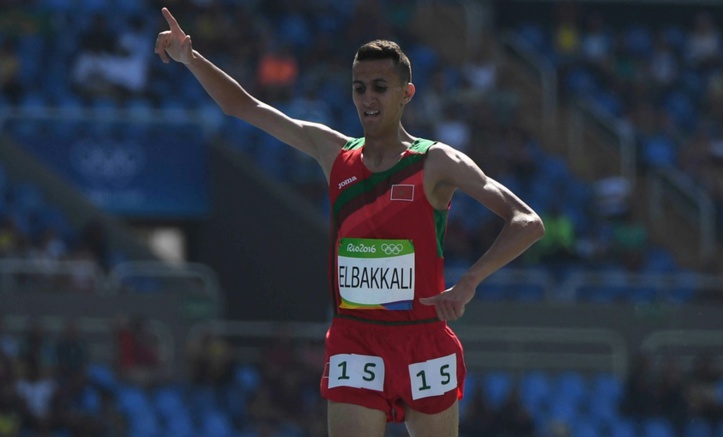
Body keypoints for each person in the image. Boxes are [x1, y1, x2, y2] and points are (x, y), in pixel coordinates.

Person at [155, 7, 544, 436]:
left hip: (424, 340)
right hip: (355, 340)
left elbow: (527, 221)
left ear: (407, 93)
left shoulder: (436, 162)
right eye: (359, 88)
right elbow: (242, 106)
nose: (367, 98)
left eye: (380, 87)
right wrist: (190, 57)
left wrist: (471, 280)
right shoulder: (333, 153)